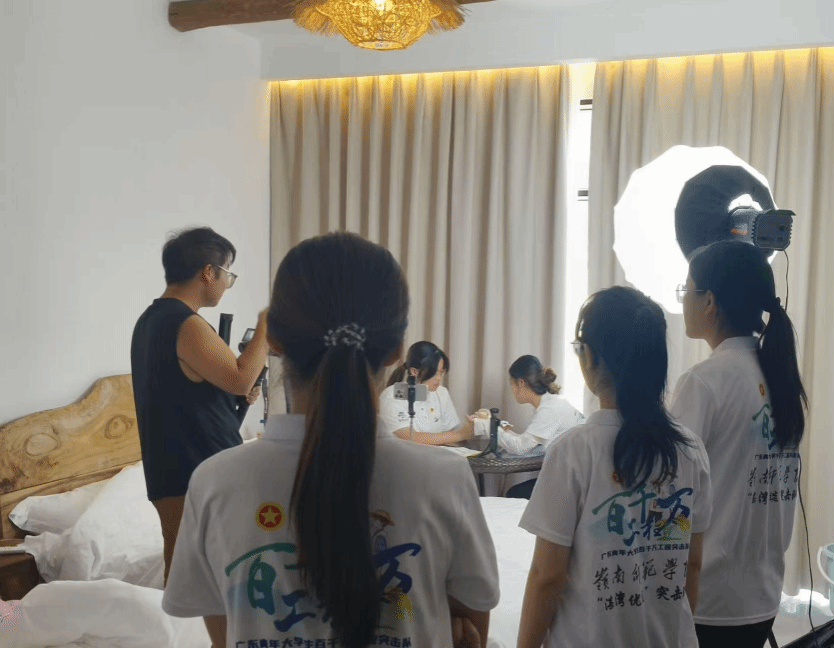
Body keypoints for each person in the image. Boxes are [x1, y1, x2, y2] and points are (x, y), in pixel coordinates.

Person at [162, 232, 500, 648]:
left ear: (273, 341)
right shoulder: (446, 478)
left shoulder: (214, 482)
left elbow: (225, 634)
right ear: (397, 349)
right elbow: (468, 626)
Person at [517, 286, 712, 648]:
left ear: (589, 356)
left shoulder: (573, 451)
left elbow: (547, 577)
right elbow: (693, 565)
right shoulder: (690, 450)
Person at [670, 240, 808, 648]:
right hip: (762, 598)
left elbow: (672, 494)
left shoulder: (703, 383)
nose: (684, 301)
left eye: (686, 290)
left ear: (709, 301)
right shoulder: (780, 378)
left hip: (708, 601)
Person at [130, 227, 269, 586]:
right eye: (228, 274)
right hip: (196, 467)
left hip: (175, 468)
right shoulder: (185, 323)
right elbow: (240, 377)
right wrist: (267, 325)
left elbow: (185, 388)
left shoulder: (150, 321)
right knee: (210, 573)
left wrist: (230, 398)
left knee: (185, 568)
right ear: (209, 272)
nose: (227, 284)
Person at [499, 356, 586, 499]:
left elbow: (521, 447)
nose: (512, 390)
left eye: (512, 384)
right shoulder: (551, 403)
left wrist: (488, 427)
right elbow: (534, 446)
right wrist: (506, 433)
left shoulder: (549, 409)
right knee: (516, 492)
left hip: (573, 483)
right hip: (576, 477)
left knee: (514, 494)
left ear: (521, 382)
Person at [378, 341, 475, 446]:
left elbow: (452, 434)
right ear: (414, 372)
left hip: (440, 453)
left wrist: (471, 428)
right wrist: (461, 434)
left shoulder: (441, 392)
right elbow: (409, 437)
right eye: (434, 373)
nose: (438, 379)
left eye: (441, 372)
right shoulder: (392, 395)